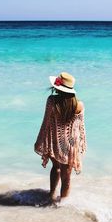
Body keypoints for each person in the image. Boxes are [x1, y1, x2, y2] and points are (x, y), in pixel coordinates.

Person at [34, 72, 87, 202]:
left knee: (56, 168)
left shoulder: (51, 101)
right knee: (67, 175)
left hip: (55, 141)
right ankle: (63, 203)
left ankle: (51, 195)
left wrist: (40, 140)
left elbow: (46, 122)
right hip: (71, 144)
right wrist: (82, 143)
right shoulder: (79, 105)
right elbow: (80, 127)